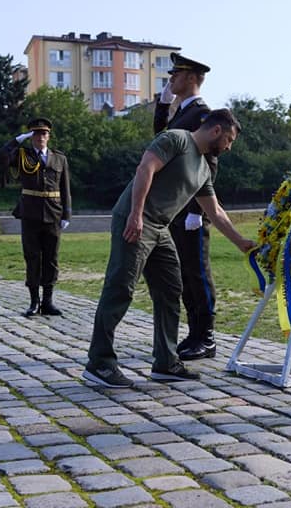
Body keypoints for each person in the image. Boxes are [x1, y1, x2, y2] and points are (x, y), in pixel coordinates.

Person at [84, 109, 255, 388]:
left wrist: (242, 242)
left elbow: (215, 211)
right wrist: (136, 214)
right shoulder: (176, 139)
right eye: (229, 139)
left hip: (161, 229)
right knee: (120, 288)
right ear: (216, 131)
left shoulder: (203, 168)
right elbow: (145, 168)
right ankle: (99, 363)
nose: (229, 146)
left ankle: (166, 361)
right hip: (135, 220)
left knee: (171, 290)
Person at [154, 52, 218, 361]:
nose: (171, 79)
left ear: (191, 78)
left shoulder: (202, 114)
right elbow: (161, 139)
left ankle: (206, 336)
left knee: (197, 273)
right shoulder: (183, 113)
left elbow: (210, 163)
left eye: (176, 75)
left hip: (191, 208)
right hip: (177, 207)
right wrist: (163, 104)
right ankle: (194, 334)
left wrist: (197, 210)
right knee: (183, 273)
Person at [0, 117, 72, 317]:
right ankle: (34, 302)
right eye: (36, 134)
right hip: (30, 214)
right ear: (31, 137)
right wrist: (17, 140)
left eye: (43, 133)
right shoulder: (22, 155)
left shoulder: (59, 158)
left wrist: (67, 214)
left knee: (51, 258)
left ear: (49, 136)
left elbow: (65, 188)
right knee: (32, 258)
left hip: (54, 214)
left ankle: (48, 301)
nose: (40, 137)